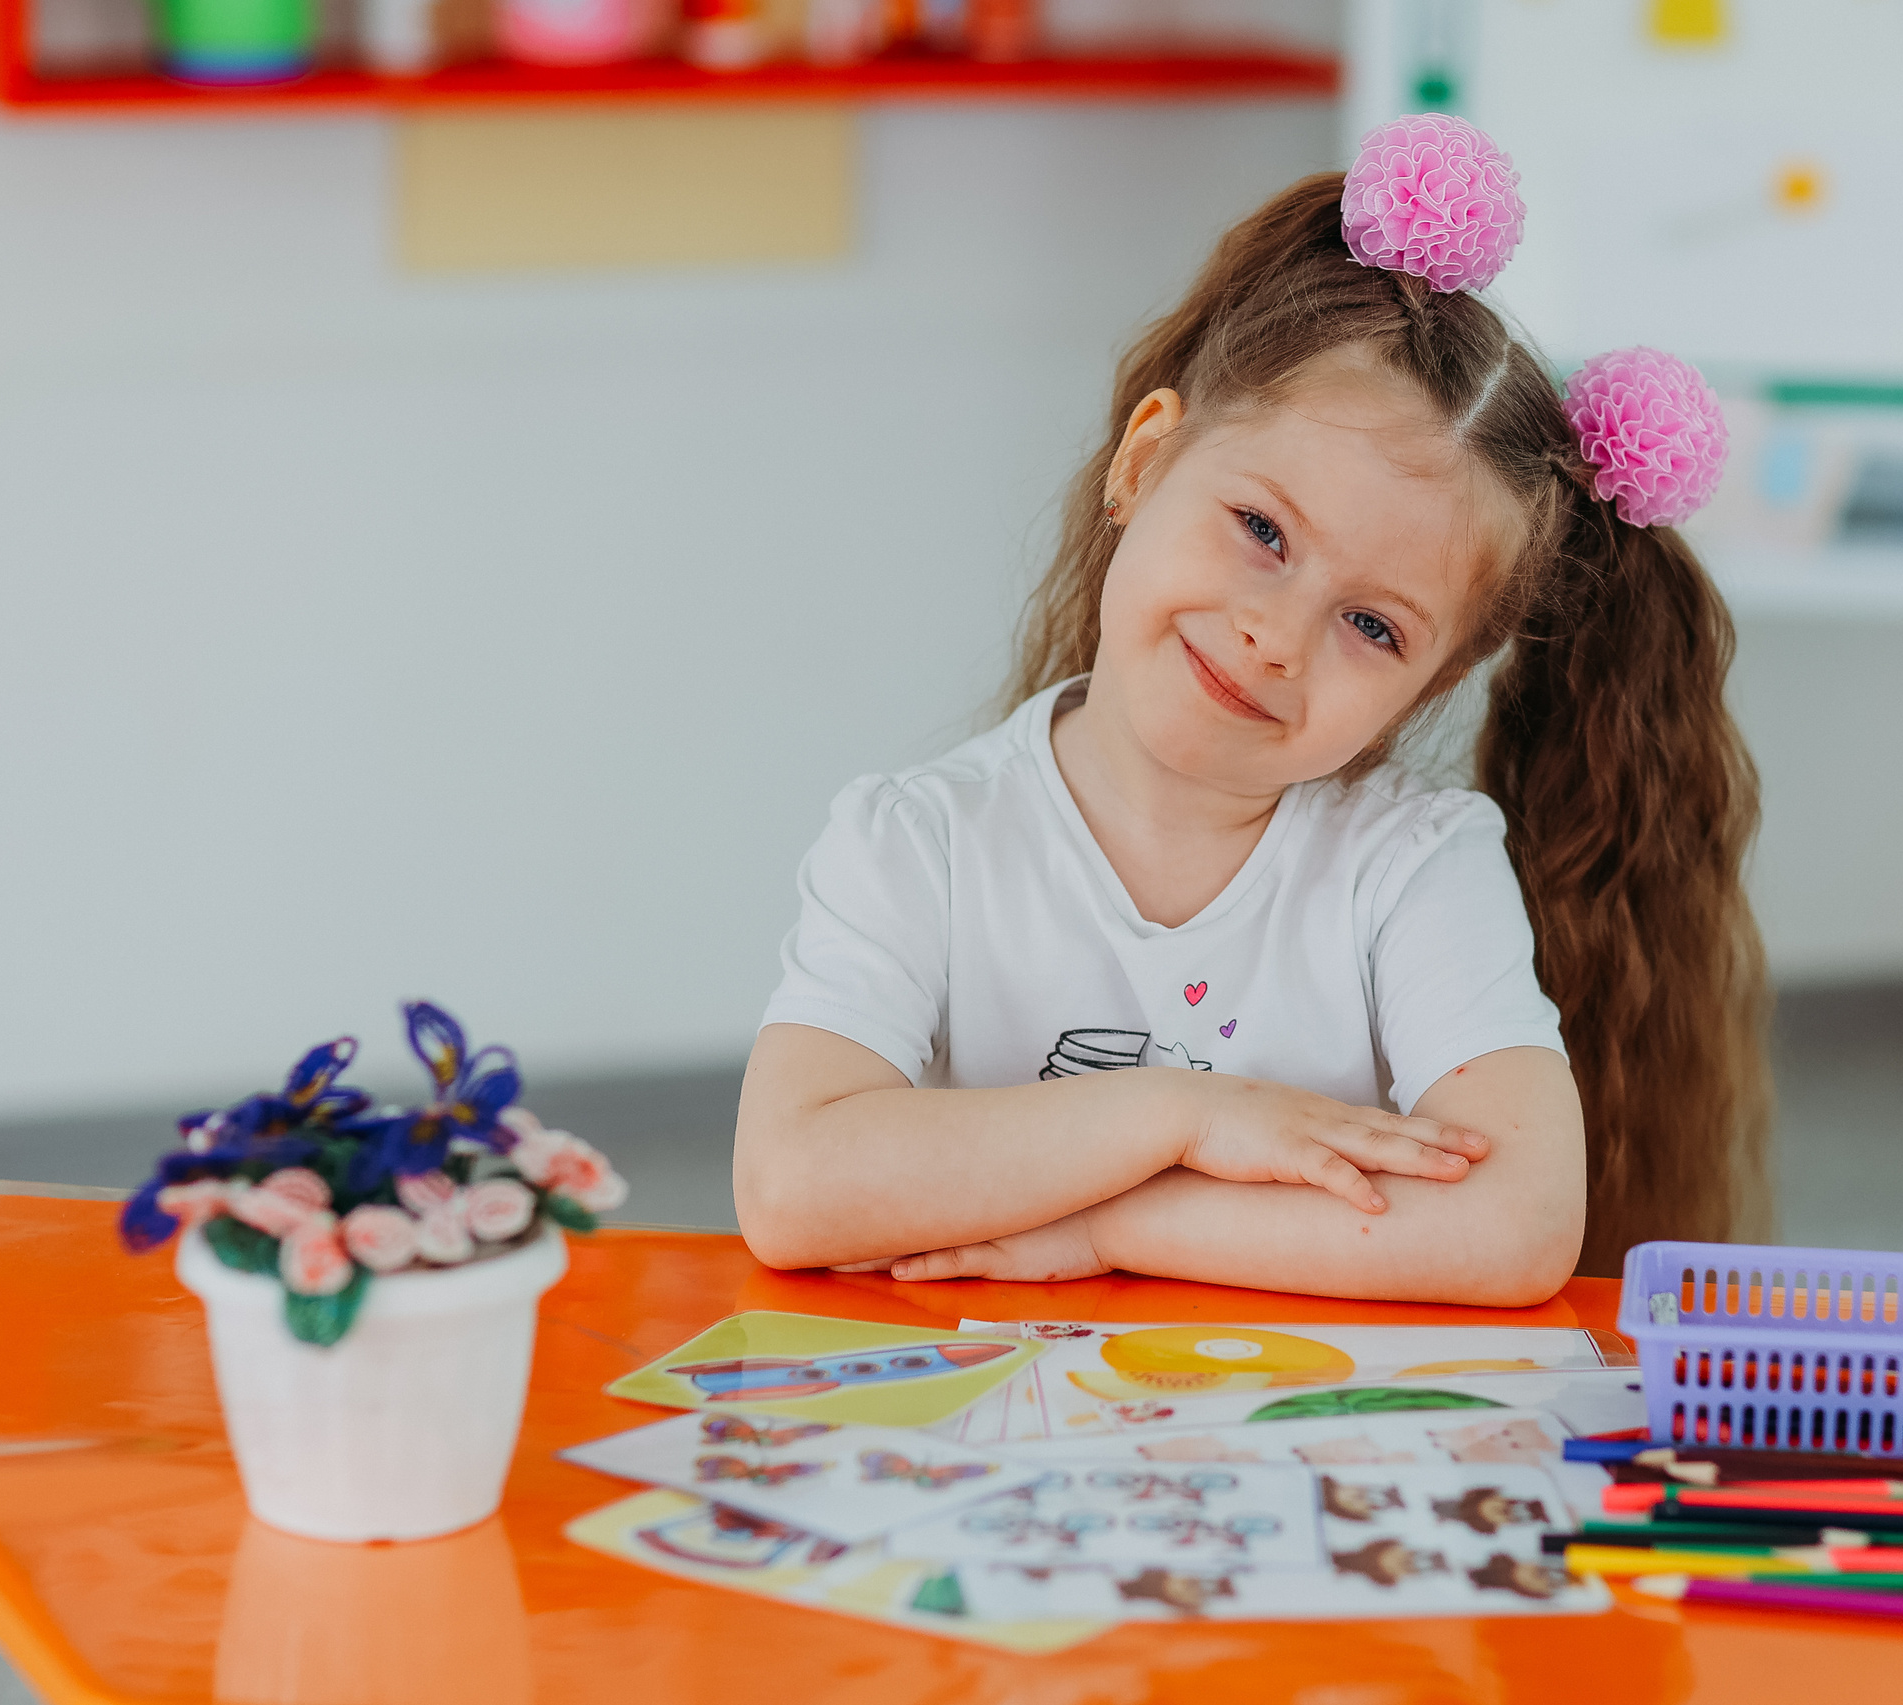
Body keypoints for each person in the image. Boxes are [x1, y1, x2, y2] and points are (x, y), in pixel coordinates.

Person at [734, 116, 1767, 1304]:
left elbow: (1523, 1222)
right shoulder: (916, 843)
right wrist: (1183, 1113)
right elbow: (788, 1184)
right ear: (1143, 463)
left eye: (1372, 627)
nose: (1275, 640)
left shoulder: (1414, 869)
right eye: (1262, 532)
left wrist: (1114, 1224)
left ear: (1426, 687)